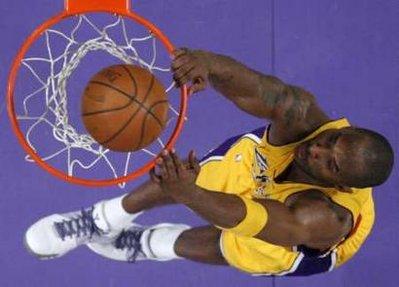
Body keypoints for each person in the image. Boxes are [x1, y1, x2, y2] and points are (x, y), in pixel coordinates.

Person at [24, 48, 394, 276]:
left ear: (341, 184)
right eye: (331, 141)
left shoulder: (326, 217)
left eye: (330, 164)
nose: (316, 149)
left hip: (290, 235)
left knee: (235, 245)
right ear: (344, 128)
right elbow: (264, 90)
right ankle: (101, 217)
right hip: (271, 184)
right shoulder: (308, 121)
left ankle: (153, 244)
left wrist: (191, 196)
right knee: (199, 176)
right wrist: (208, 65)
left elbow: (254, 219)